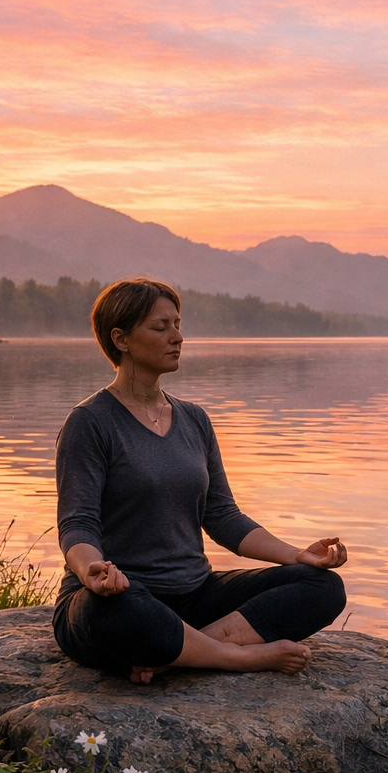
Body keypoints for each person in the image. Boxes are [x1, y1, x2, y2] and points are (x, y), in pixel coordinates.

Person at [53, 277, 348, 683]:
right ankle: (235, 656)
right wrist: (93, 573)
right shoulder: (89, 422)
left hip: (193, 595)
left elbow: (222, 515)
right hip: (120, 597)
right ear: (120, 339)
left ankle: (175, 651)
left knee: (322, 587)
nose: (177, 337)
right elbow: (77, 523)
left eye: (177, 324)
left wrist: (298, 554)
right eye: (161, 327)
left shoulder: (194, 419)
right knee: (117, 612)